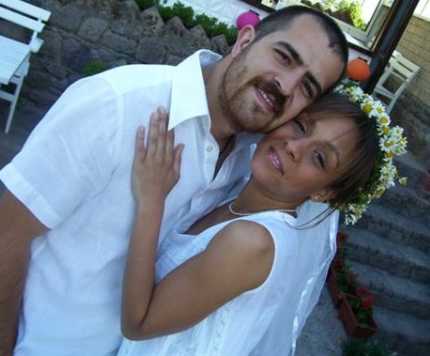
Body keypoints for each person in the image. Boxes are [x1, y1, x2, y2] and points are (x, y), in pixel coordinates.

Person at [0, 5, 348, 356]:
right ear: (244, 41)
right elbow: (4, 238)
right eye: (284, 57)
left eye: (307, 88)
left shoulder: (250, 163)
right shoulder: (119, 104)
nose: (285, 85)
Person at [118, 87, 406, 356]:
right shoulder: (234, 190)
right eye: (301, 125)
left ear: (323, 193)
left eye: (319, 157)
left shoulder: (252, 242)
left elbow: (139, 324)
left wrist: (151, 202)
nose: (294, 147)